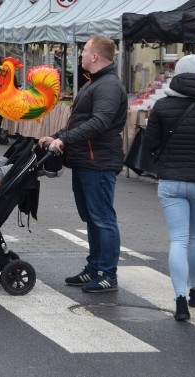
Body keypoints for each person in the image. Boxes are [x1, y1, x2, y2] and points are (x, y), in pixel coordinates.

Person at [39, 35, 127, 293]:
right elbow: (81, 121)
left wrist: (64, 140)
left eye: (85, 50)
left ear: (96, 56)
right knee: (92, 217)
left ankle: (108, 273)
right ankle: (94, 268)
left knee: (102, 218)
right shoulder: (96, 82)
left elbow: (99, 123)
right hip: (87, 159)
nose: (82, 55)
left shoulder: (108, 85)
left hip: (97, 161)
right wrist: (56, 137)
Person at [144, 54, 195, 321]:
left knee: (177, 239)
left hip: (171, 180)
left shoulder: (162, 105)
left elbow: (149, 144)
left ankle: (179, 298)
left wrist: (162, 159)